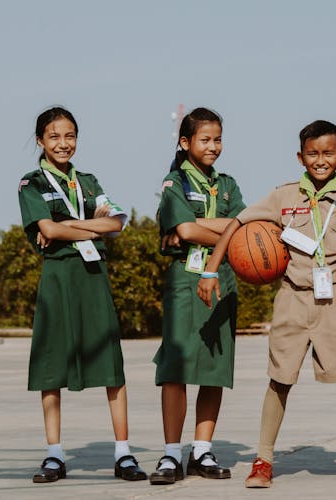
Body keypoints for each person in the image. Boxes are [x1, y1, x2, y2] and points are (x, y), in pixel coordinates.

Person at [197, 120, 336, 492]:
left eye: (328, 153)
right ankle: (263, 461)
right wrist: (211, 271)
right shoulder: (283, 196)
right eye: (313, 153)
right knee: (280, 381)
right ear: (300, 156)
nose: (320, 160)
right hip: (292, 298)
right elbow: (237, 224)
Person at [18, 106, 146, 483]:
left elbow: (118, 223)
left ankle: (123, 453)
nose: (63, 143)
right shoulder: (31, 183)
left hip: (94, 276)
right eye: (54, 136)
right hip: (57, 278)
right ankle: (54, 455)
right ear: (40, 141)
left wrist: (67, 225)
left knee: (111, 364)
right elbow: (47, 231)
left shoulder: (88, 181)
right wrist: (91, 228)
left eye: (70, 135)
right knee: (51, 366)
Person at [149, 107, 246, 485]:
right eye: (205, 139)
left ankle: (201, 450)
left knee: (213, 369)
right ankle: (172, 453)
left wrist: (197, 225)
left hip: (222, 279)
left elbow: (245, 227)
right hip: (184, 282)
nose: (213, 146)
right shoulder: (174, 182)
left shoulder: (229, 185)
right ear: (185, 142)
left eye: (217, 139)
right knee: (175, 369)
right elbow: (188, 231)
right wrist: (218, 228)